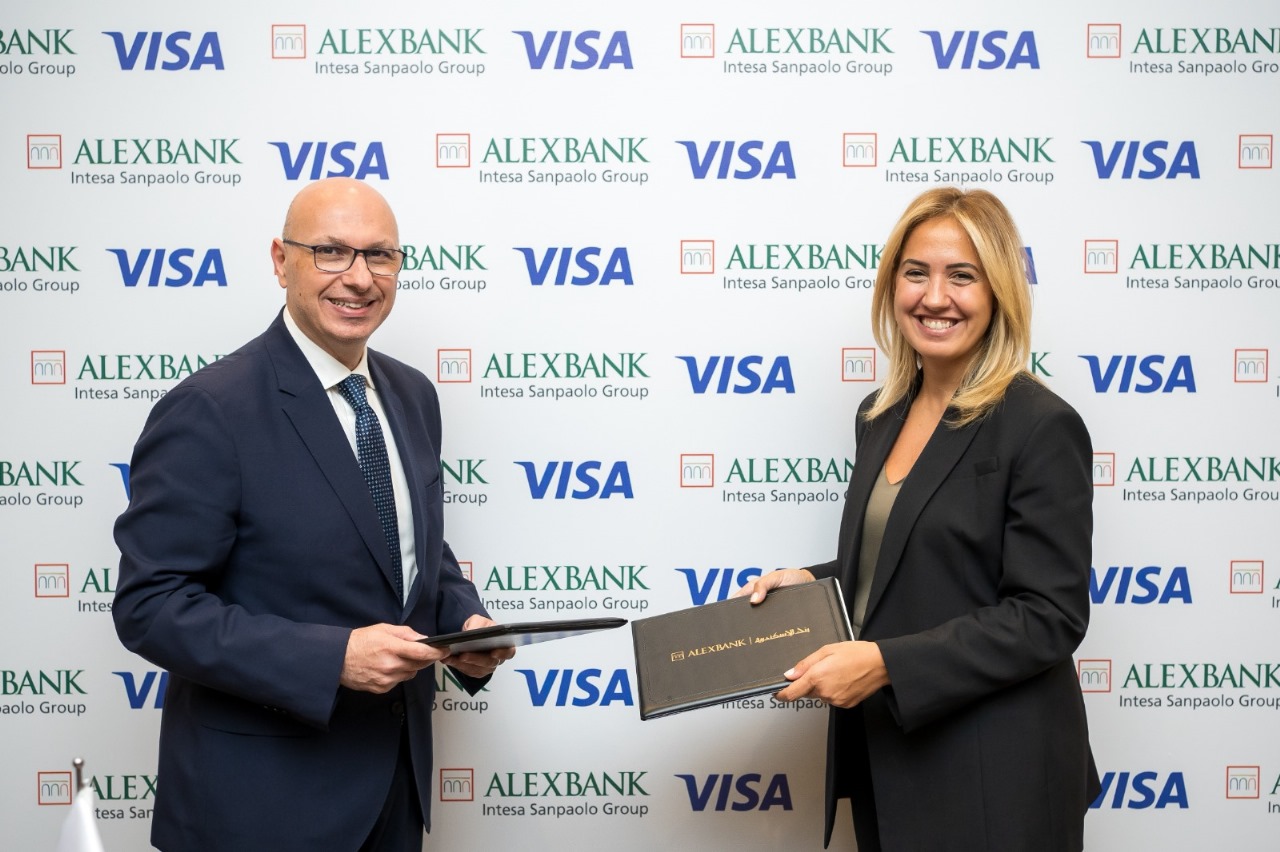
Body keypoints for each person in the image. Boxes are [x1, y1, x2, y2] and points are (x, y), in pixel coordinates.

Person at [112, 177, 512, 852]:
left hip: (395, 794)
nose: (358, 277)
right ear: (281, 260)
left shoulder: (413, 394)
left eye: (379, 255)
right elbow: (150, 607)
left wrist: (465, 624)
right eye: (331, 252)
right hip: (259, 810)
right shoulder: (211, 409)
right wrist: (333, 659)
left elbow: (413, 555)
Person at [738, 188, 1099, 850]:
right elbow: (909, 555)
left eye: (962, 276)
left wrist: (886, 665)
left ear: (998, 291)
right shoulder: (880, 414)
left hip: (996, 775)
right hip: (890, 757)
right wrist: (814, 584)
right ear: (891, 285)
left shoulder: (1040, 426)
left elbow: (1048, 615)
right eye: (916, 273)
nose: (935, 297)